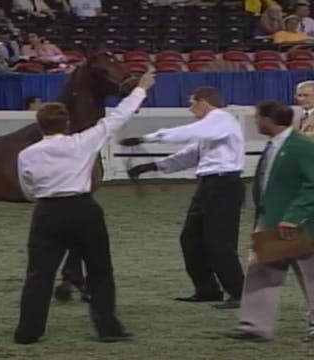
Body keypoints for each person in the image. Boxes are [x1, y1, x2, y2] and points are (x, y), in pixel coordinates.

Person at [13, 70, 156, 344]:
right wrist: (141, 89)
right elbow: (118, 118)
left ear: (40, 125)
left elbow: (27, 187)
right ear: (66, 124)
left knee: (38, 274)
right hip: (82, 209)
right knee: (100, 270)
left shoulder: (27, 154)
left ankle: (28, 331)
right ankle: (108, 328)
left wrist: (43, 198)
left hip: (47, 211)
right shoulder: (83, 142)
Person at [122, 87, 245, 309]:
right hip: (209, 185)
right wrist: (152, 166)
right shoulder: (211, 129)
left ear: (204, 102)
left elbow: (186, 134)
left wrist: (147, 138)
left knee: (220, 242)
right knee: (190, 239)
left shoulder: (221, 119)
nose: (190, 109)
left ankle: (238, 293)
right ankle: (207, 289)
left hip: (223, 185)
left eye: (192, 103)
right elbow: (189, 155)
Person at [223, 100, 314, 342]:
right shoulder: (277, 145)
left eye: (257, 117)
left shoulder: (300, 146)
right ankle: (254, 326)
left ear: (268, 120)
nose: (255, 122)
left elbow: (312, 184)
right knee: (262, 271)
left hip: (298, 225)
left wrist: (294, 217)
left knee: (310, 274)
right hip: (272, 220)